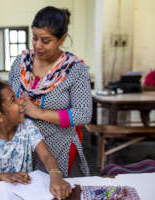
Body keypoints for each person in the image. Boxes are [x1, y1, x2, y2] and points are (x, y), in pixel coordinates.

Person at [9, 6, 92, 177]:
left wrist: (39, 112)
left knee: (54, 189)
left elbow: (83, 114)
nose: (38, 46)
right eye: (34, 38)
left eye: (45, 41)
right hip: (22, 145)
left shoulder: (74, 69)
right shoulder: (21, 63)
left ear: (61, 39)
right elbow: (10, 96)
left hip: (58, 145)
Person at [0, 82, 72, 200]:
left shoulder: (27, 126)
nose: (21, 101)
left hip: (26, 194)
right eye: (13, 100)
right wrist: (2, 176)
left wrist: (55, 174)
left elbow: (46, 155)